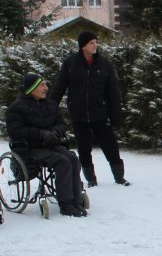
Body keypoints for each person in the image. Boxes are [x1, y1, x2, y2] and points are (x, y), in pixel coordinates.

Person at [50, 31, 129, 187]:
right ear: (83, 45)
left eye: (95, 42)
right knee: (84, 149)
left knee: (111, 146)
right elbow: (59, 87)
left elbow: (113, 92)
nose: (95, 45)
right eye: (91, 43)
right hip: (78, 115)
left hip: (100, 114)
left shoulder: (104, 64)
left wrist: (115, 115)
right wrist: (49, 109)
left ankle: (119, 177)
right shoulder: (71, 64)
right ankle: (91, 180)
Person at [6, 73, 87, 218]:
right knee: (62, 161)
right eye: (42, 85)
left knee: (73, 159)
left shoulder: (51, 105)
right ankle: (66, 204)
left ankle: (76, 199)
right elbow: (16, 131)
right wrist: (41, 134)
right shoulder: (16, 108)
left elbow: (61, 124)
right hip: (30, 148)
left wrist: (55, 132)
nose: (46, 88)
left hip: (51, 144)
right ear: (32, 88)